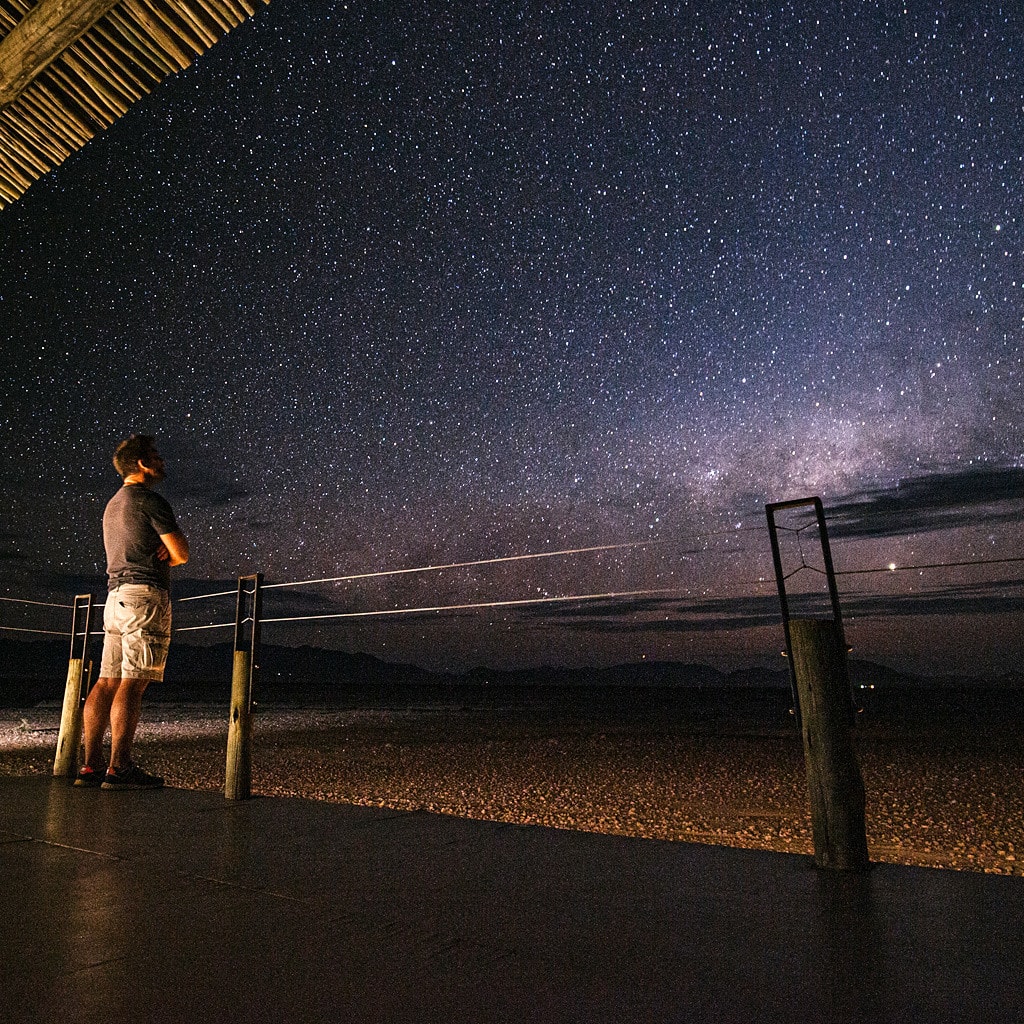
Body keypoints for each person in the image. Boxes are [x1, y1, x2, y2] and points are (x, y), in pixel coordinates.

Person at [75, 435, 189, 789]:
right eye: (155, 456)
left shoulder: (113, 505)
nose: (161, 462)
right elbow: (182, 553)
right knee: (133, 683)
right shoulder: (150, 500)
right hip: (144, 598)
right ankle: (119, 767)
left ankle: (90, 766)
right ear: (141, 464)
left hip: (114, 599)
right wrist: (167, 551)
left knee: (106, 681)